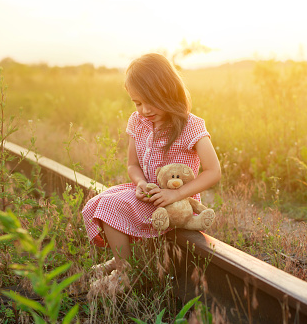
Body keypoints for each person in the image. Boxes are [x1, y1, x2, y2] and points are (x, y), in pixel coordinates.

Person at [82, 53, 221, 289]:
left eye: (151, 100)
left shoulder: (191, 125)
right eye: (137, 102)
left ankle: (125, 274)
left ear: (168, 91)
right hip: (151, 195)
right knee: (101, 200)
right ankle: (119, 261)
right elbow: (132, 166)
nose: (144, 109)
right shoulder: (138, 122)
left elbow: (213, 171)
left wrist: (175, 195)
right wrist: (139, 183)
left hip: (177, 203)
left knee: (110, 206)